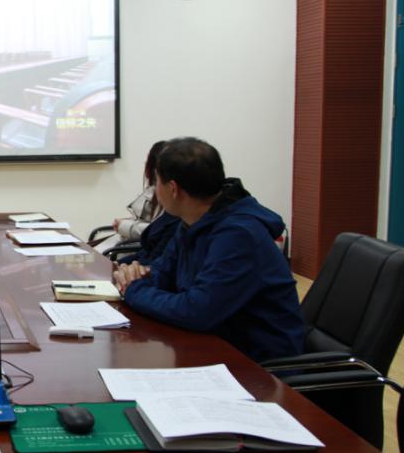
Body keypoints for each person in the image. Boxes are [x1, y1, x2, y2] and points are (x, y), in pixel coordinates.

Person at [113, 137, 304, 362]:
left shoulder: (239, 235)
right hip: (213, 343)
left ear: (173, 189)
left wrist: (133, 289)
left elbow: (197, 311)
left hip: (259, 364)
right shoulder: (192, 221)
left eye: (157, 182)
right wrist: (136, 276)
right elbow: (162, 273)